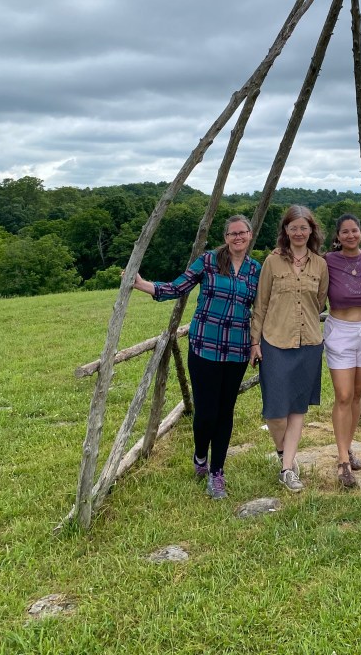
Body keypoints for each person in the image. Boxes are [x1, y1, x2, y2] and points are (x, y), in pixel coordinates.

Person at [131, 215, 260, 501]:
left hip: (237, 350)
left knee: (225, 412)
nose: (238, 237)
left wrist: (256, 343)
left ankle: (217, 472)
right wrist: (145, 286)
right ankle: (200, 454)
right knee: (206, 413)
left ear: (250, 236)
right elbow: (179, 287)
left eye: (243, 233)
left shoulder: (255, 270)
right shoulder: (209, 261)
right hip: (205, 346)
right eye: (232, 233)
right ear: (225, 237)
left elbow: (261, 309)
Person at [250, 205, 329, 493]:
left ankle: (287, 469)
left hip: (308, 342)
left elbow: (319, 302)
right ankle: (285, 452)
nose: (298, 232)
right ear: (285, 230)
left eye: (303, 227)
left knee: (298, 407)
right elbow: (261, 303)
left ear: (311, 231)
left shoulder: (320, 264)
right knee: (274, 409)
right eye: (293, 227)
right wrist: (255, 342)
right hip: (275, 341)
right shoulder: (272, 262)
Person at [324, 213, 361, 487]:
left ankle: (347, 446)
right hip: (341, 330)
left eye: (354, 230)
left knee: (358, 393)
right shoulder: (327, 261)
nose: (350, 235)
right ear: (337, 236)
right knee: (344, 394)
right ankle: (342, 460)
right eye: (344, 232)